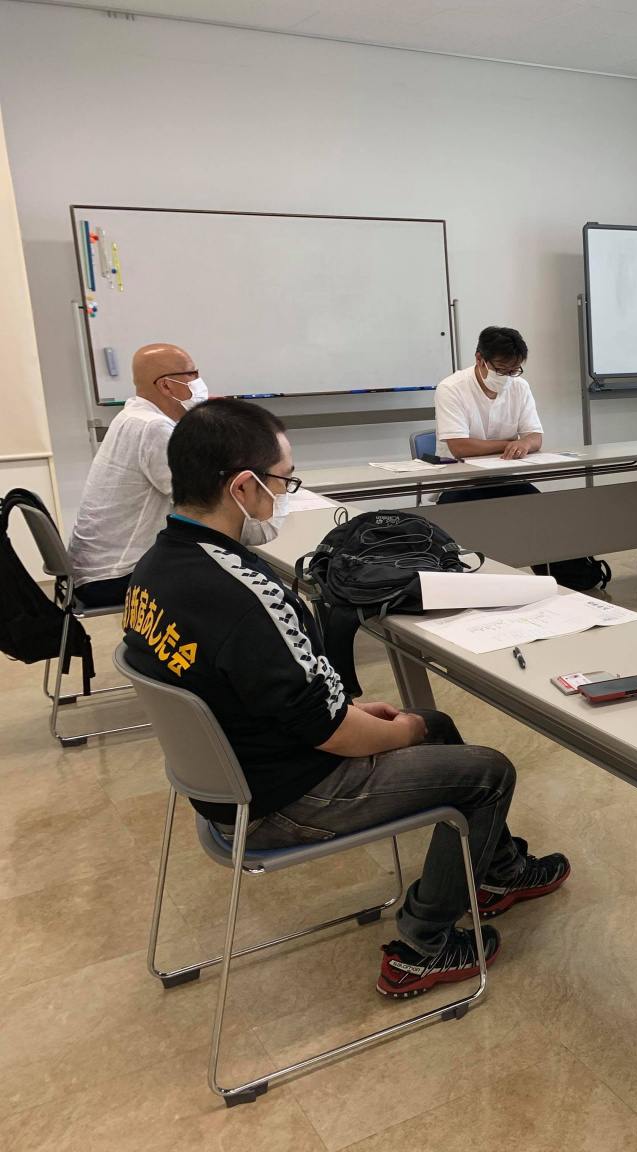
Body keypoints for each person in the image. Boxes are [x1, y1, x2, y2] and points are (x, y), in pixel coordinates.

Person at [123, 398, 569, 998]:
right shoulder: (246, 597)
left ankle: (498, 872)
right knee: (489, 771)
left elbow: (263, 688)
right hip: (283, 799)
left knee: (436, 723)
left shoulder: (155, 568)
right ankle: (423, 947)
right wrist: (394, 730)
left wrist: (361, 714)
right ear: (243, 488)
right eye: (283, 481)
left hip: (229, 777)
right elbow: (331, 734)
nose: (285, 496)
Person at [66, 343, 208, 608]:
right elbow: (201, 501)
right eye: (192, 374)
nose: (198, 381)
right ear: (166, 385)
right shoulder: (153, 427)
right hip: (114, 577)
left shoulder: (131, 416)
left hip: (92, 571)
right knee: (233, 580)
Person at [433, 326, 543, 504]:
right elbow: (460, 447)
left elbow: (536, 437)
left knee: (540, 506)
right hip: (461, 480)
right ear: (479, 359)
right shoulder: (451, 388)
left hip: (504, 477)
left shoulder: (520, 387)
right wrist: (509, 445)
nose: (507, 377)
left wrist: (525, 443)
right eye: (501, 370)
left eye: (514, 371)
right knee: (468, 511)